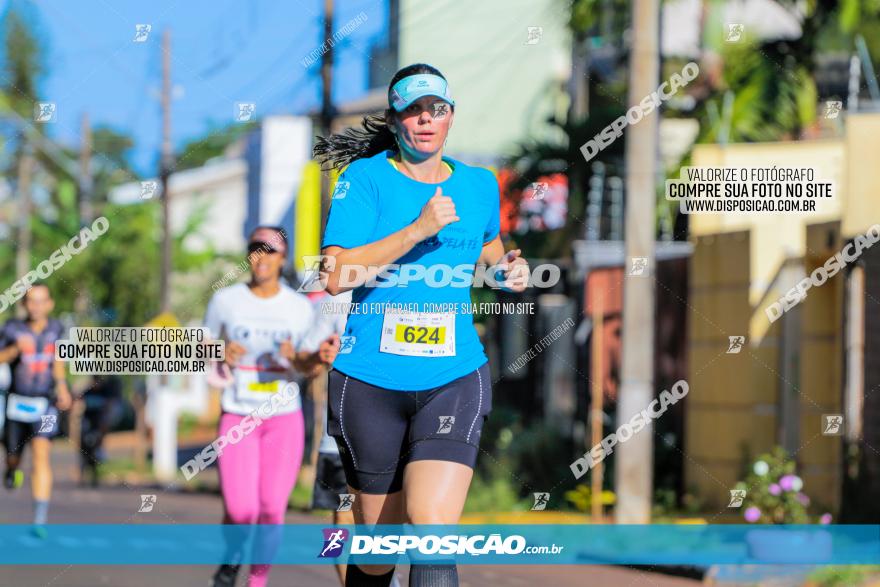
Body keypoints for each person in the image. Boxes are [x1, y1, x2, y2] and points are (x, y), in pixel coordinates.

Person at [313, 63, 530, 587]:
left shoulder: (479, 185)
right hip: (370, 381)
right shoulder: (364, 180)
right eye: (413, 110)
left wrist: (507, 273)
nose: (425, 120)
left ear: (450, 117)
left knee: (431, 529)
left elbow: (489, 254)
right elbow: (338, 275)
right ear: (393, 121)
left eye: (436, 109)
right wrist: (417, 229)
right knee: (376, 552)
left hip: (452, 377)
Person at [204, 226, 340, 587]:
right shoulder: (226, 301)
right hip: (237, 414)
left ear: (283, 258)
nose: (262, 257)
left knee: (270, 509)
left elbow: (310, 366)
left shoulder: (298, 307)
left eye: (270, 250)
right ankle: (233, 554)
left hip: (283, 418)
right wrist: (220, 352)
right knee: (240, 509)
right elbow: (201, 350)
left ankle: (257, 579)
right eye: (255, 249)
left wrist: (304, 358)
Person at [0, 284, 72, 537]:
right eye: (31, 301)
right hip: (16, 405)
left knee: (42, 456)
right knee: (13, 456)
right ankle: (11, 469)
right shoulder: (11, 328)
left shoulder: (57, 329)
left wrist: (62, 388)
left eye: (41, 301)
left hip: (45, 405)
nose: (36, 306)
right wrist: (14, 350)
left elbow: (59, 362)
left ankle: (40, 520)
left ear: (50, 304)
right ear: (24, 304)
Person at [79, 374, 124, 487]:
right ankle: (82, 478)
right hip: (87, 425)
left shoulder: (105, 393)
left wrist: (102, 429)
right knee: (84, 453)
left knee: (95, 454)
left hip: (98, 427)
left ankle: (95, 478)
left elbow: (109, 409)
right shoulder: (87, 392)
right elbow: (78, 401)